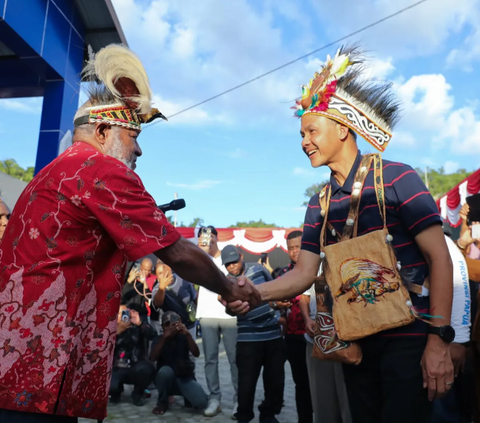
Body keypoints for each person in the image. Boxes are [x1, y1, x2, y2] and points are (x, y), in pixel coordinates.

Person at [0, 45, 260, 422]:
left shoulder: (51, 172)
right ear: (103, 130)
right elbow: (177, 253)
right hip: (43, 361)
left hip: (16, 353)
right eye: (132, 135)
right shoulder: (100, 169)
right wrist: (229, 287)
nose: (138, 149)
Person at [226, 46, 454, 423]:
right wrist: (253, 293)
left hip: (410, 340)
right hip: (355, 343)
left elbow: (439, 257)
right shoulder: (319, 202)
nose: (304, 142)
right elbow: (302, 274)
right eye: (301, 133)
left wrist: (439, 339)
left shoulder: (398, 178)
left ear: (343, 128)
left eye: (311, 130)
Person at [222, 245, 285, 423]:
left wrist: (277, 308)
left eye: (234, 261)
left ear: (241, 256)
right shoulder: (225, 282)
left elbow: (273, 288)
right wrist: (231, 308)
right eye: (228, 264)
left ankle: (268, 415)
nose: (232, 266)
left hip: (273, 335)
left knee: (276, 382)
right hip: (248, 339)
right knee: (246, 385)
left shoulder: (258, 269)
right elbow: (229, 310)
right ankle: (244, 417)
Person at [195, 226, 239, 418]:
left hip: (229, 314)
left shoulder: (226, 257)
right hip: (207, 313)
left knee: (234, 359)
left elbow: (227, 279)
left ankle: (239, 399)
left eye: (210, 236)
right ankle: (215, 398)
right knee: (210, 359)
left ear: (216, 237)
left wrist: (211, 253)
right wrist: (202, 255)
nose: (207, 240)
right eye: (203, 237)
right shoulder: (197, 258)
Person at [272, 230, 312, 423]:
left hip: (318, 336)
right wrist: (277, 306)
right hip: (294, 337)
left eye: (299, 247)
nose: (295, 251)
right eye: (291, 248)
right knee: (301, 384)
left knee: (319, 384)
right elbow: (273, 302)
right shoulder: (284, 275)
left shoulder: (319, 269)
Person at [300, 286, 352, 423]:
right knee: (322, 400)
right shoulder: (313, 267)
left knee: (348, 401)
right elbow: (305, 297)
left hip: (347, 342)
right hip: (318, 341)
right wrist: (307, 320)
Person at [150, 311, 208, 415]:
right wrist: (164, 338)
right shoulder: (159, 339)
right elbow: (152, 357)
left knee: (201, 403)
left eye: (173, 323)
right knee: (164, 372)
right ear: (162, 326)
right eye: (167, 324)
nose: (170, 327)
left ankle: (187, 397)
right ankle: (162, 403)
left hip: (184, 378)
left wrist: (188, 335)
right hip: (167, 379)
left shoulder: (183, 337)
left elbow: (196, 353)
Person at [109, 304, 156, 406]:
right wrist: (116, 332)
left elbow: (153, 335)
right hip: (117, 367)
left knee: (147, 369)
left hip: (135, 365)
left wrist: (139, 323)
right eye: (120, 314)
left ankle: (138, 393)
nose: (123, 317)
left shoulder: (136, 325)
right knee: (110, 385)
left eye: (125, 313)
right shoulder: (109, 327)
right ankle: (116, 391)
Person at [151, 260, 198, 338]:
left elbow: (195, 298)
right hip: (171, 329)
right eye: (159, 273)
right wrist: (162, 288)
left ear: (170, 270)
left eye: (165, 271)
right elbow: (158, 303)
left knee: (191, 349)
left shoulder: (184, 280)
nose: (163, 275)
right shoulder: (157, 289)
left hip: (189, 326)